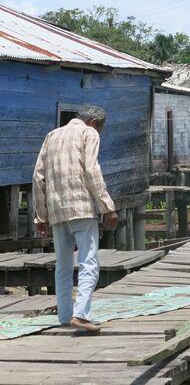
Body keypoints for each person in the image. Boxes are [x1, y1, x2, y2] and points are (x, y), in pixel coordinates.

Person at [33, 105, 118, 332]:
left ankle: (65, 316)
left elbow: (38, 177)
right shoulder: (88, 133)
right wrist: (108, 207)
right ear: (94, 123)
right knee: (89, 261)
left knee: (63, 265)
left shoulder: (52, 135)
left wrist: (41, 216)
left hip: (57, 212)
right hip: (81, 208)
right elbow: (91, 170)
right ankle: (81, 315)